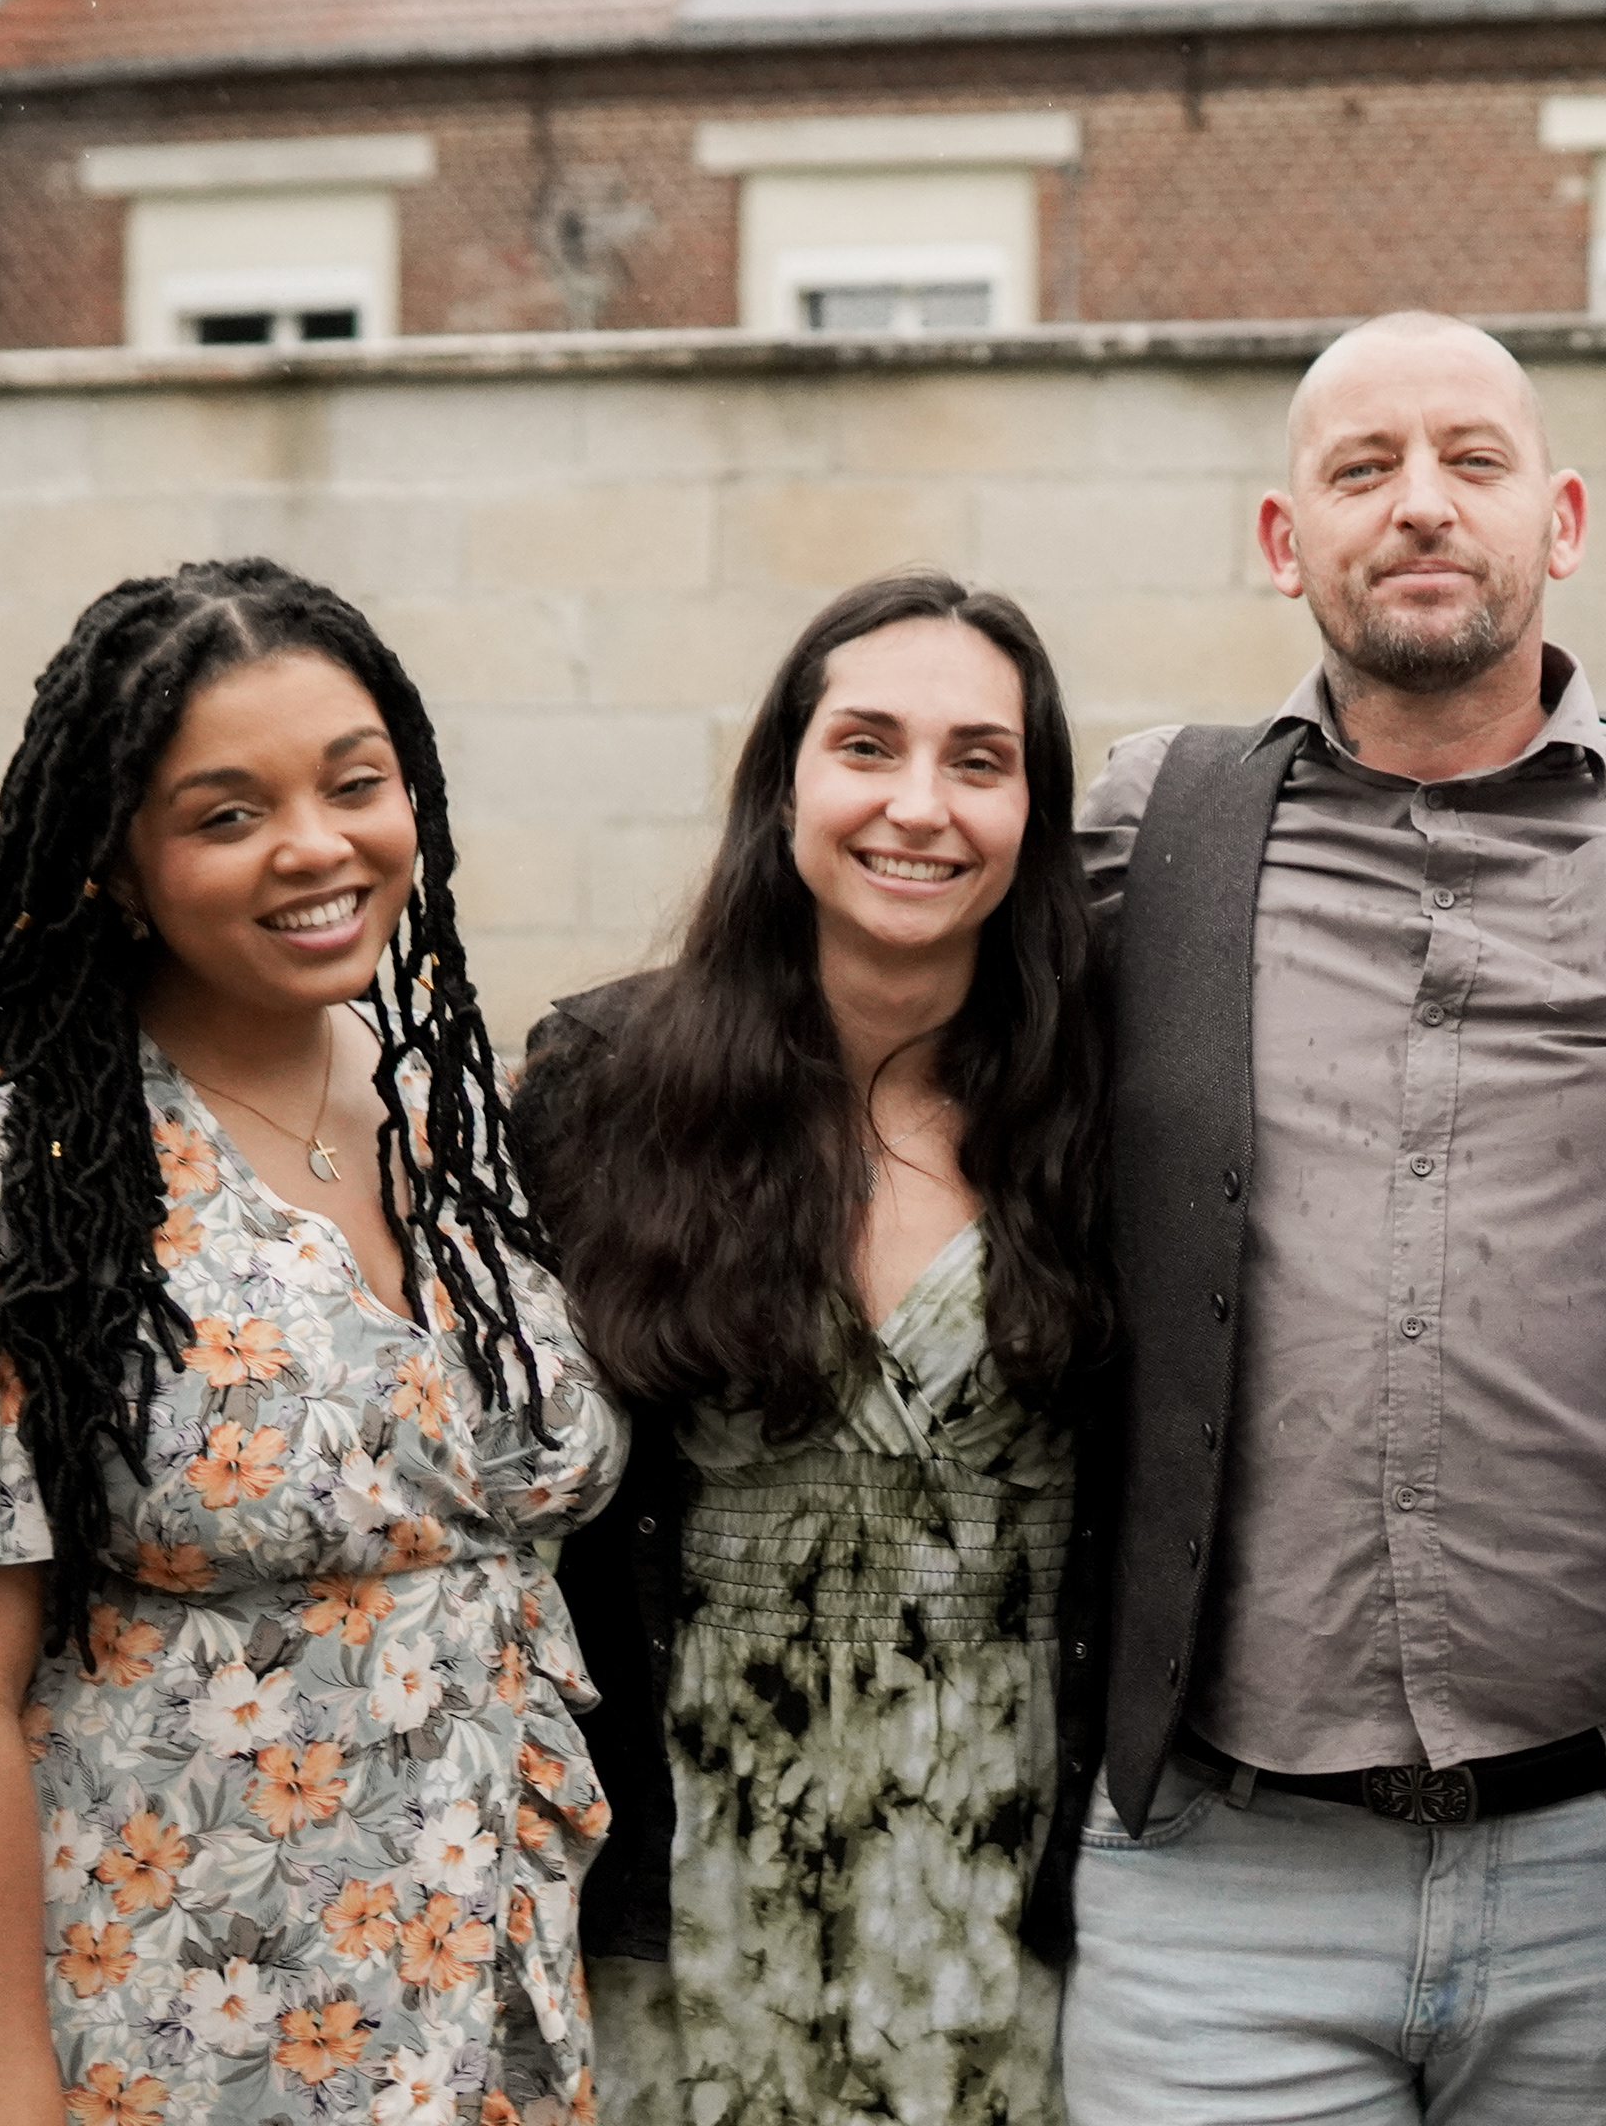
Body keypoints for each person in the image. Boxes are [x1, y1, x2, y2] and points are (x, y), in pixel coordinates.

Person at [0, 557, 628, 2126]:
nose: (317, 846)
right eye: (228, 815)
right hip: (149, 2017)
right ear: (117, 864)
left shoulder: (448, 1112)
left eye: (355, 784)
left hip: (442, 1986)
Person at [1061, 311, 1606, 2125]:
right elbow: (876, 1014)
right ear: (1284, 537)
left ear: (1565, 517)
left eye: (1473, 460)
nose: (1423, 506)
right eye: (1363, 469)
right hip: (1219, 1887)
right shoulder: (1157, 828)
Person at [522, 570, 1107, 2126]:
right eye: (867, 746)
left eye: (979, 760)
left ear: (1032, 813)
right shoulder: (604, 1089)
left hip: (1012, 1896)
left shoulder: (1107, 1107)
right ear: (784, 784)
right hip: (687, 1884)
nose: (920, 805)